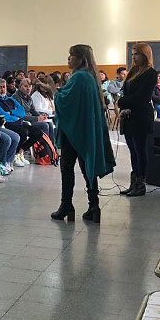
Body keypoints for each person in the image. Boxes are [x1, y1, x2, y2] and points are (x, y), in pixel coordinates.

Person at [44, 44, 115, 223]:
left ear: (81, 58)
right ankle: (94, 206)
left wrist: (52, 87)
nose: (68, 59)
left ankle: (66, 205)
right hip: (85, 130)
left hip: (75, 131)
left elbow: (63, 101)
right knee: (86, 168)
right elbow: (70, 96)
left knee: (67, 168)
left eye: (71, 56)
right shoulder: (89, 77)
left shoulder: (80, 77)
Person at [118, 43, 156, 197]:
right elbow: (126, 92)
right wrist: (123, 105)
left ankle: (141, 184)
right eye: (132, 54)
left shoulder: (150, 73)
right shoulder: (133, 71)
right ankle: (134, 182)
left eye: (137, 54)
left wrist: (122, 102)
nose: (134, 57)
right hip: (129, 116)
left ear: (145, 55)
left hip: (141, 116)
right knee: (133, 150)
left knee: (140, 150)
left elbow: (141, 96)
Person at [0, 80, 41, 167]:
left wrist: (11, 112)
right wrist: (15, 117)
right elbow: (3, 115)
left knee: (38, 132)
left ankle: (19, 152)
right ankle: (14, 155)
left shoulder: (10, 99)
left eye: (4, 87)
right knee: (23, 132)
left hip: (18, 122)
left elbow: (22, 112)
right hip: (7, 124)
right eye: (0, 87)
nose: (2, 89)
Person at [14, 78, 55, 143]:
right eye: (25, 86)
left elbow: (33, 110)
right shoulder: (16, 97)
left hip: (31, 119)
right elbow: (21, 115)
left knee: (49, 123)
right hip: (24, 121)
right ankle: (44, 148)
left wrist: (41, 116)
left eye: (29, 86)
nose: (28, 88)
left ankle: (52, 147)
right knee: (45, 125)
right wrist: (36, 118)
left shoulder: (29, 97)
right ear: (20, 87)